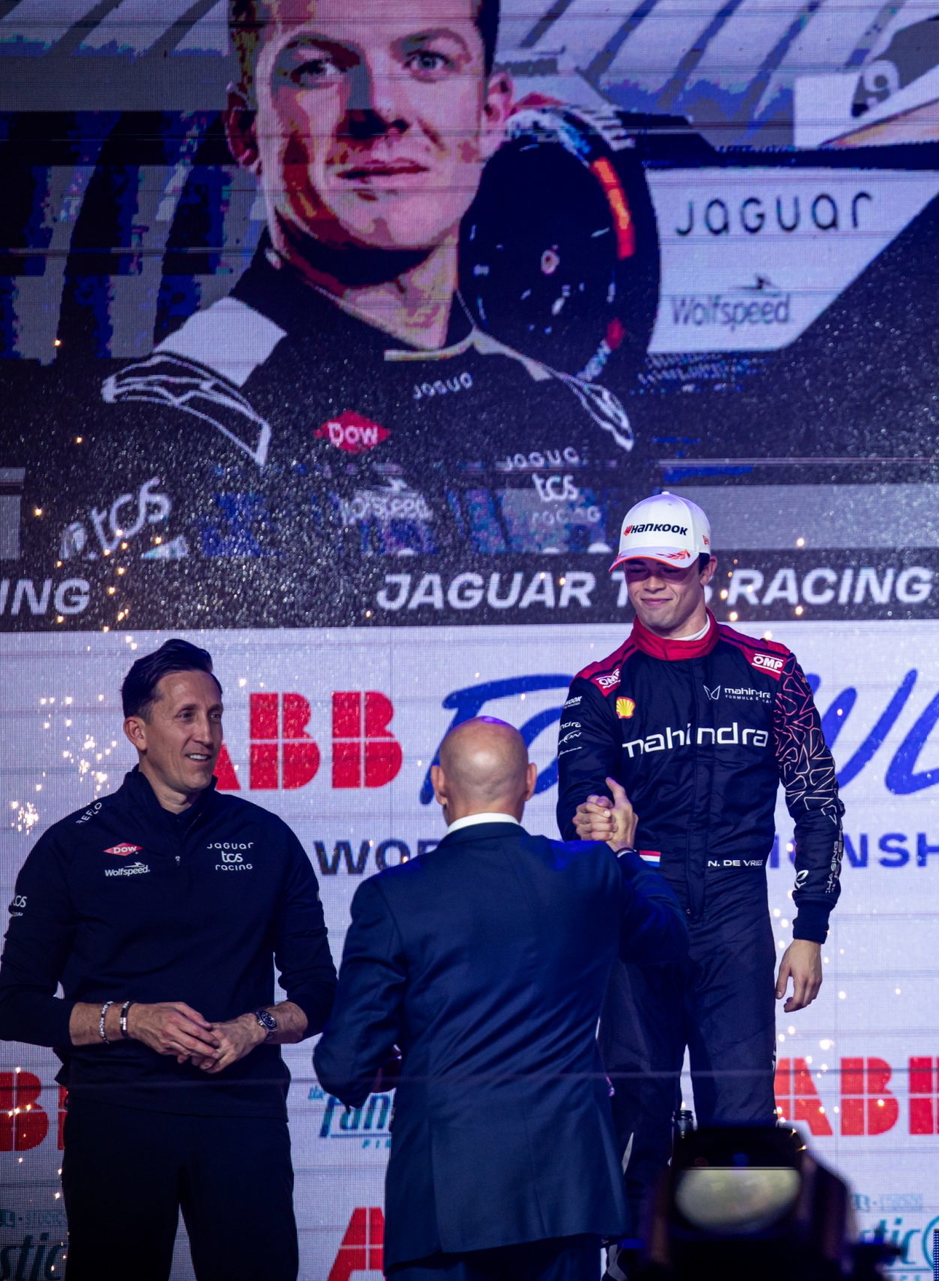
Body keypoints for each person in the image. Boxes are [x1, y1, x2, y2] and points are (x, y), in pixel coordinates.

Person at [53, 0, 633, 565]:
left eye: (428, 60)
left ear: (491, 112)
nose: (379, 107)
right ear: (247, 130)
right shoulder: (170, 419)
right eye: (319, 69)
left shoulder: (584, 420)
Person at [556, 491, 846, 1244]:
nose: (651, 584)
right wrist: (593, 821)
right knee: (639, 1112)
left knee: (743, 1122)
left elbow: (817, 801)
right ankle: (627, 1263)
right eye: (637, 571)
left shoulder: (771, 669)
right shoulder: (598, 685)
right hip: (637, 914)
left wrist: (809, 928)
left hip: (734, 912)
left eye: (669, 569)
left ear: (707, 568)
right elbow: (577, 802)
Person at [0, 638, 335, 1280]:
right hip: (119, 1117)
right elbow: (14, 1004)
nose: (205, 734)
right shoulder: (72, 847)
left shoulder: (268, 839)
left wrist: (253, 1027)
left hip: (244, 1117)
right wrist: (131, 1020)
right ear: (138, 731)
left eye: (215, 715)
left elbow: (318, 991)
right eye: (186, 716)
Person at [314, 717, 688, 1281]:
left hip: (446, 1202)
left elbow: (342, 1067)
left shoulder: (391, 897)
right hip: (567, 1193)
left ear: (439, 783)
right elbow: (670, 934)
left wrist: (399, 1066)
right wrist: (626, 853)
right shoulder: (589, 873)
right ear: (531, 782)